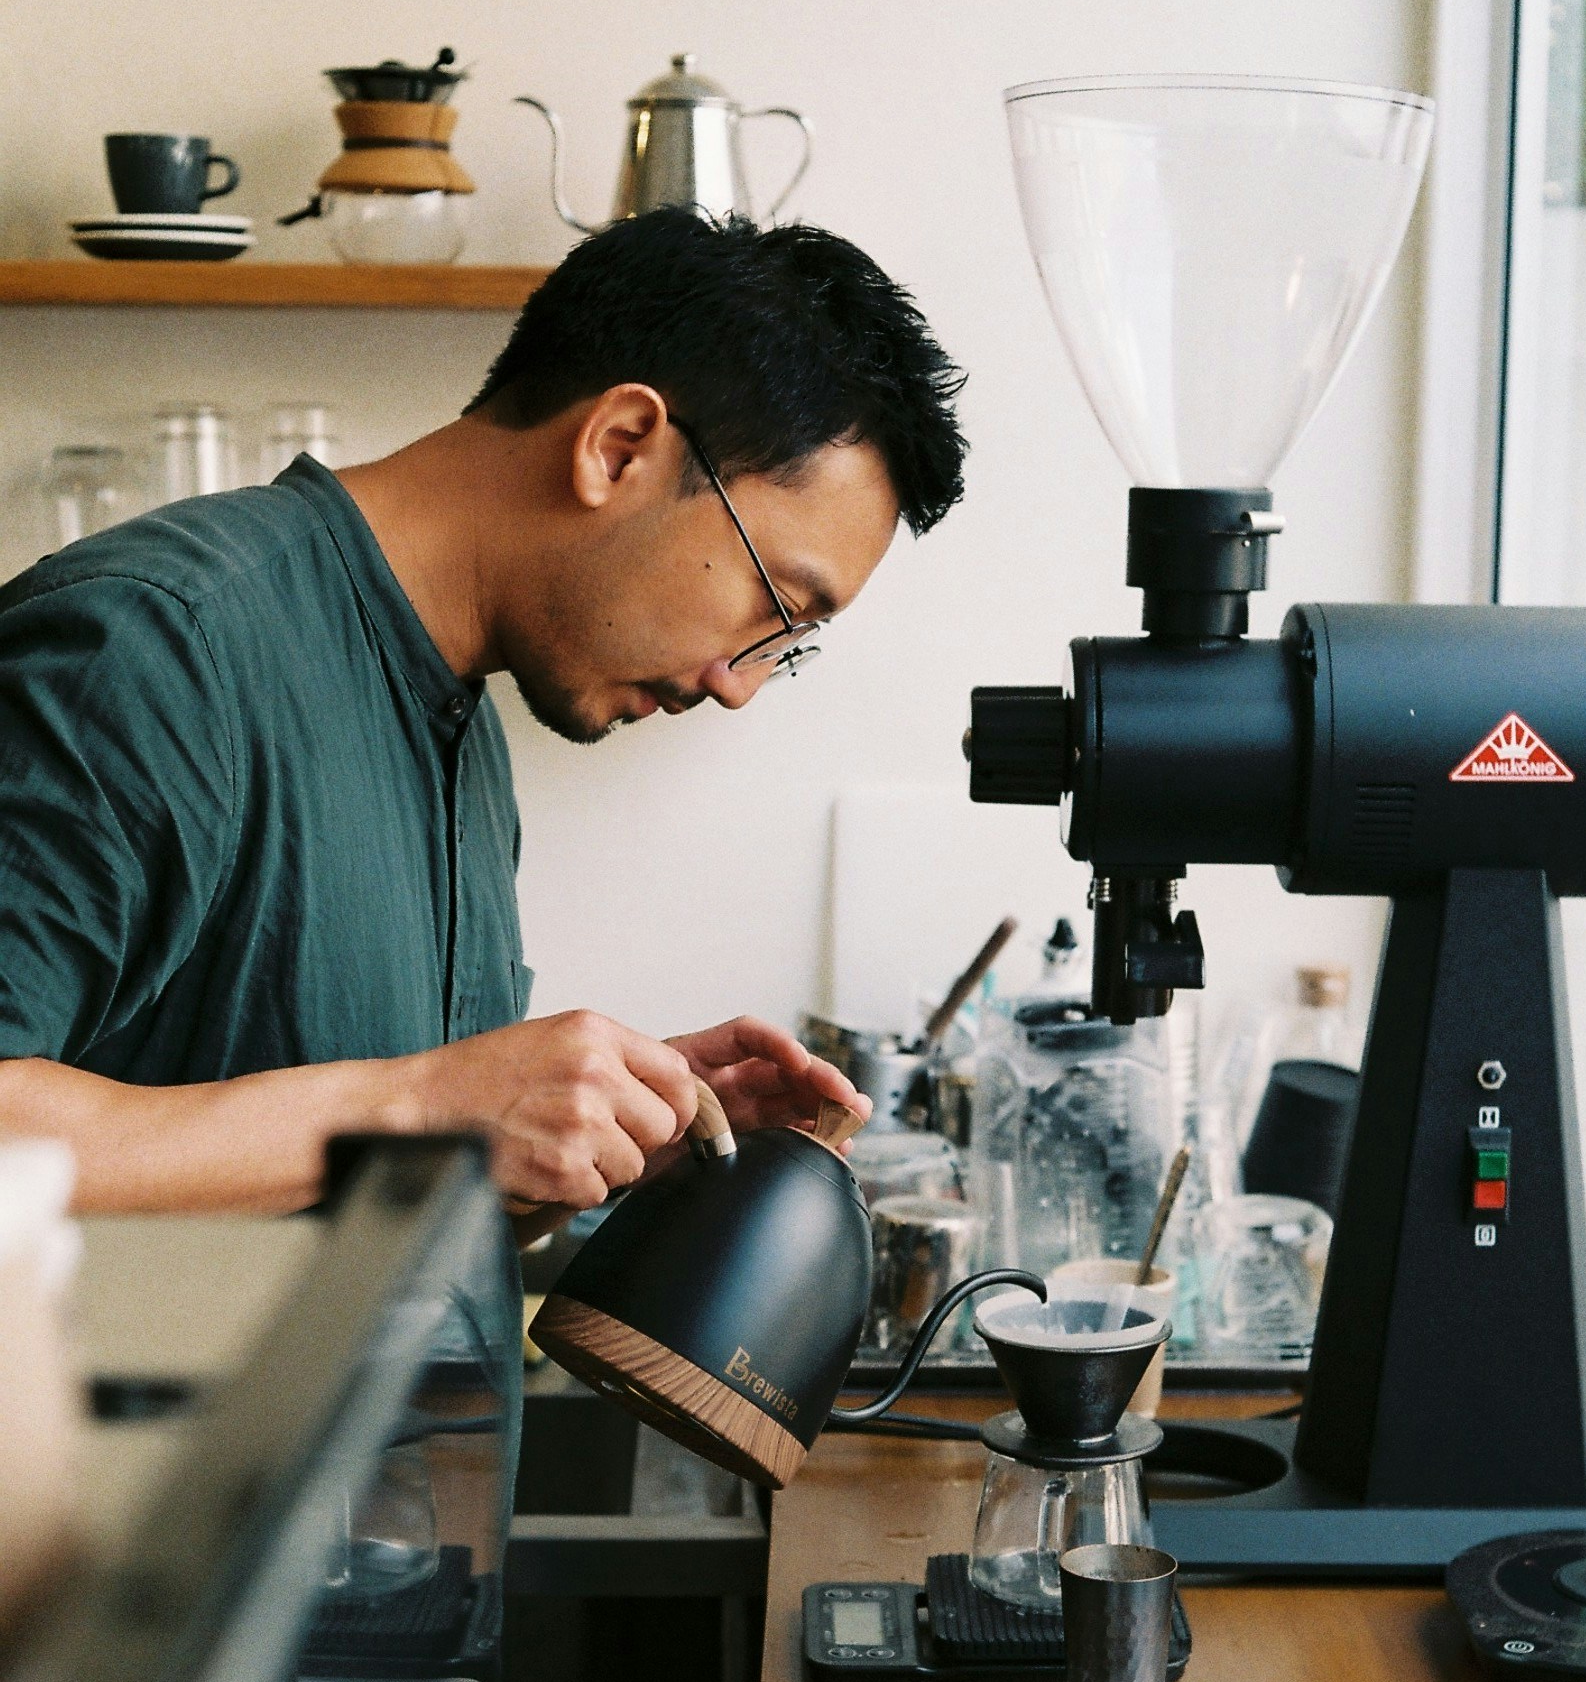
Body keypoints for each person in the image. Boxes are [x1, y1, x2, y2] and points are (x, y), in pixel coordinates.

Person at [0, 210, 967, 1400]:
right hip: (130, 1574)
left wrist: (586, 1140)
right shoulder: (153, 653)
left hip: (379, 1566)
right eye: (776, 605)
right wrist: (425, 1105)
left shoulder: (465, 729)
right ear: (619, 446)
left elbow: (330, 1185)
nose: (739, 685)